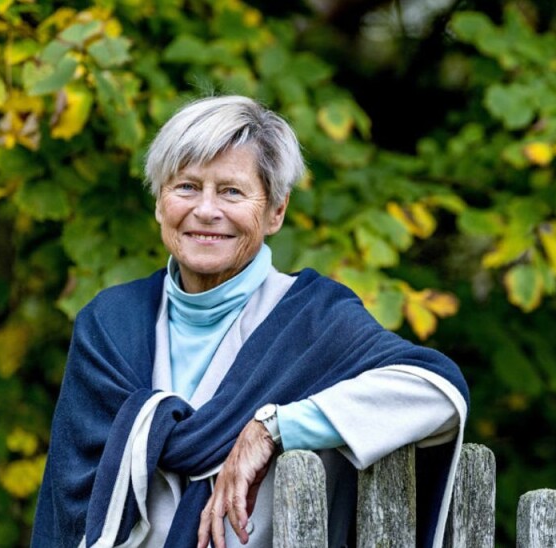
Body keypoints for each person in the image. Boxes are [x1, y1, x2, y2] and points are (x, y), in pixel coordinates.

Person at [31, 95, 469, 548]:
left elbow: (438, 392)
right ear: (160, 204)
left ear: (275, 212)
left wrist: (274, 428)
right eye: (185, 187)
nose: (205, 210)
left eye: (231, 191)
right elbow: (68, 511)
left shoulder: (311, 318)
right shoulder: (108, 325)